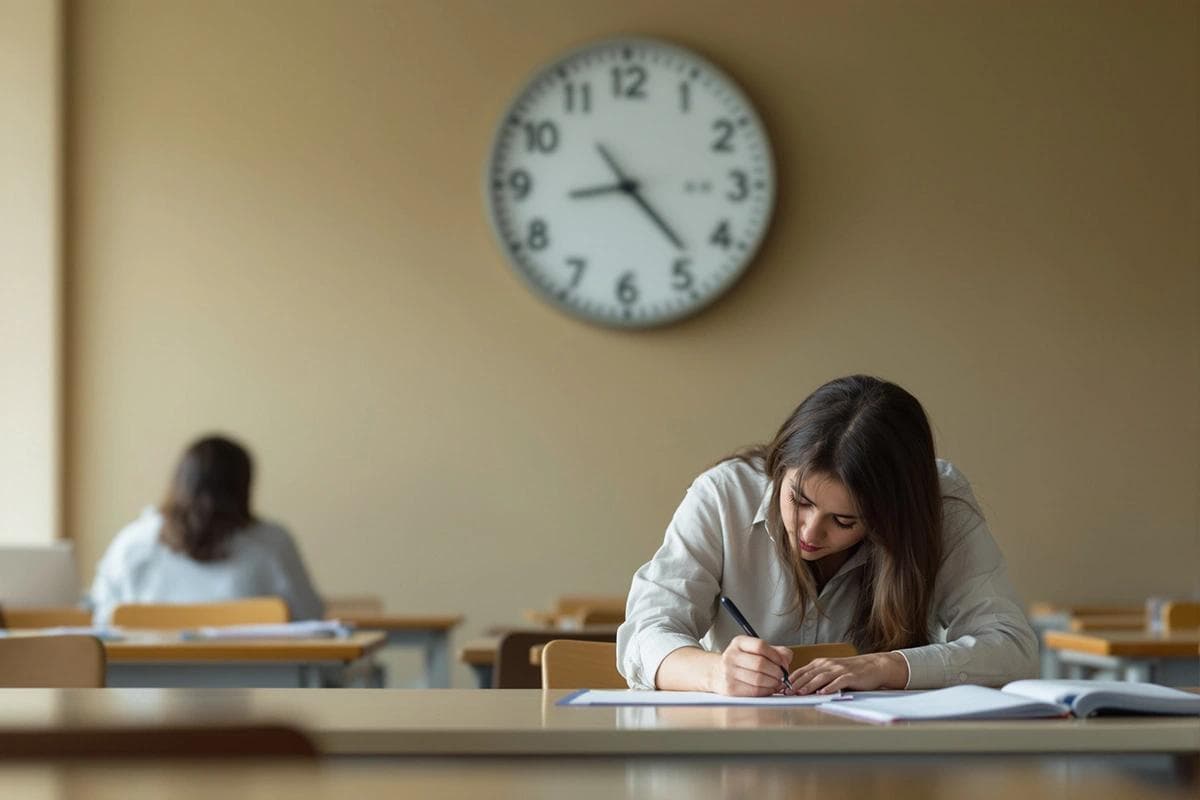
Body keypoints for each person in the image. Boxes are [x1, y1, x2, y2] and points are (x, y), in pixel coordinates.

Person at [617, 375, 1039, 695]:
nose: (809, 532)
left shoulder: (937, 501)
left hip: (883, 765)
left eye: (844, 521)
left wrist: (886, 667)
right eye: (798, 500)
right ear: (781, 463)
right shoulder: (724, 495)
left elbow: (1012, 649)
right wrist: (715, 672)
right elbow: (643, 634)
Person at [89, 435, 324, 624]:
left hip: (145, 680)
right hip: (252, 679)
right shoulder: (273, 542)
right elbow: (310, 614)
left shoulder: (133, 541)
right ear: (244, 487)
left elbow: (101, 615)